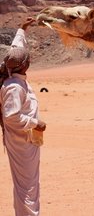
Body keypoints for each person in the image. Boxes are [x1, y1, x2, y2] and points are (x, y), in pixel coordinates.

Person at [0, 18, 46, 216]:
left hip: (27, 139)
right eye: (27, 59)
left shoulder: (13, 74)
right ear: (24, 65)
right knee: (26, 185)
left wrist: (22, 29)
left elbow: (15, 51)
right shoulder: (14, 87)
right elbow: (11, 117)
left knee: (29, 182)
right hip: (21, 141)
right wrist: (36, 123)